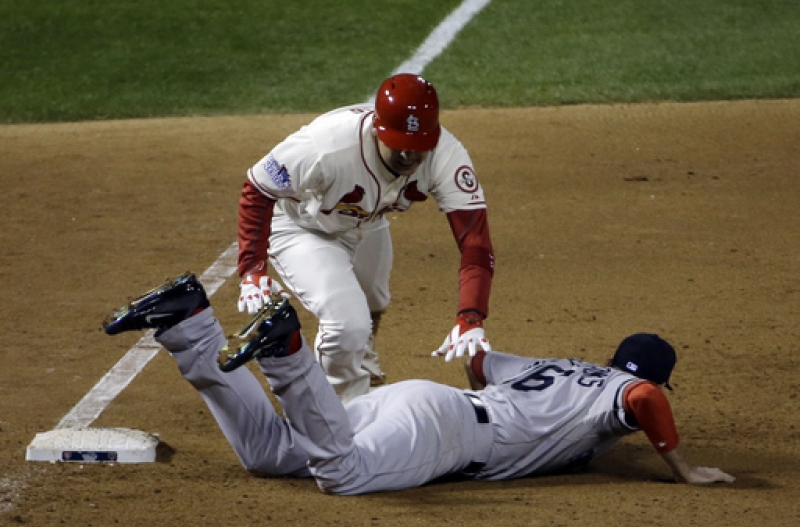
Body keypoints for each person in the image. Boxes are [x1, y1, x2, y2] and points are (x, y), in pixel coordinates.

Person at [103, 273, 735, 495]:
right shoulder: (614, 399)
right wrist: (681, 468)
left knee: (271, 456)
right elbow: (644, 399)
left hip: (415, 402)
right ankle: (288, 352)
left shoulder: (563, 368)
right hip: (446, 434)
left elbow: (482, 364)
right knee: (341, 476)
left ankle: (189, 321)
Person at [236, 73, 495, 402]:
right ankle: (338, 412)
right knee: (347, 325)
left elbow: (475, 242)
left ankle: (362, 366)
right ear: (376, 128)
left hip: (365, 221)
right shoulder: (325, 147)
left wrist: (471, 315)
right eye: (399, 144)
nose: (408, 157)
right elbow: (258, 188)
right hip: (302, 228)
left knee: (373, 302)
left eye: (418, 148)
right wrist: (252, 268)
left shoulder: (446, 155)